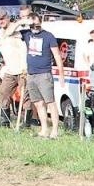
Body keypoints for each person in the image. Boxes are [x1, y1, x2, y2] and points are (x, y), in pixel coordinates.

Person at [18, 8, 60, 138]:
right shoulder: (26, 34)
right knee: (38, 103)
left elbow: (57, 56)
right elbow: (11, 30)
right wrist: (25, 21)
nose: (35, 27)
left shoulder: (48, 36)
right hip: (31, 74)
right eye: (32, 25)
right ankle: (44, 129)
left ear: (41, 23)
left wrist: (62, 75)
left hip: (44, 74)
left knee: (50, 103)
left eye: (37, 24)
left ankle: (55, 131)